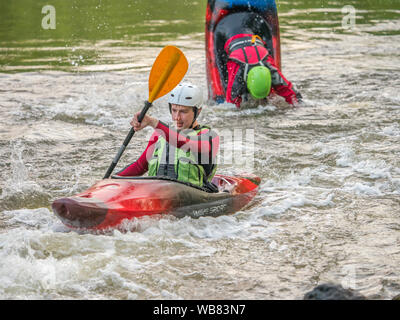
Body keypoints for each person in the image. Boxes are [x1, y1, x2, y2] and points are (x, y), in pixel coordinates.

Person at [116, 83, 219, 192]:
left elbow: (184, 143)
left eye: (183, 111)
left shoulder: (208, 136)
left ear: (198, 111)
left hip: (192, 197)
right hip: (156, 194)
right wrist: (111, 180)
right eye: (174, 110)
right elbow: (139, 167)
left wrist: (153, 122)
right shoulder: (158, 135)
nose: (177, 117)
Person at [213, 12, 302, 108]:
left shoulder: (270, 68)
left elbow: (231, 104)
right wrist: (299, 104)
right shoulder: (237, 70)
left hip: (257, 23)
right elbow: (292, 94)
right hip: (222, 28)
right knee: (224, 74)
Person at [225, 33, 302, 108]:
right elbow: (231, 98)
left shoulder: (269, 67)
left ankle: (267, 93)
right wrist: (297, 103)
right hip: (233, 45)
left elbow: (231, 102)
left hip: (257, 43)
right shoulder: (236, 67)